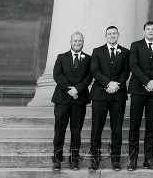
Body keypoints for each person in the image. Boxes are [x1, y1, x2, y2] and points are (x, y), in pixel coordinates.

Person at [88, 26, 130, 171]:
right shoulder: (97, 51)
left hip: (118, 95)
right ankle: (94, 160)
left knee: (117, 129)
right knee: (96, 128)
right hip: (100, 95)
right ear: (105, 36)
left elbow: (126, 72)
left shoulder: (125, 52)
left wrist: (116, 85)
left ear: (118, 35)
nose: (112, 35)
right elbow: (95, 71)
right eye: (109, 34)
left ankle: (115, 160)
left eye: (114, 33)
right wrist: (108, 83)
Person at [127, 21, 153, 170]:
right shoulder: (135, 45)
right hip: (138, 90)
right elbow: (133, 66)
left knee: (151, 126)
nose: (150, 31)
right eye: (148, 29)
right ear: (144, 31)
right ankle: (133, 160)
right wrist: (147, 81)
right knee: (134, 125)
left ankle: (148, 160)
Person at [51, 31, 92, 170]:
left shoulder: (88, 58)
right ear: (71, 42)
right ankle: (57, 158)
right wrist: (70, 90)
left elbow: (89, 77)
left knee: (76, 131)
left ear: (83, 42)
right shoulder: (61, 57)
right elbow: (57, 75)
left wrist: (77, 89)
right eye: (75, 40)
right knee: (59, 130)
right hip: (62, 99)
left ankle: (74, 159)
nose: (77, 43)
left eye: (80, 41)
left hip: (79, 100)